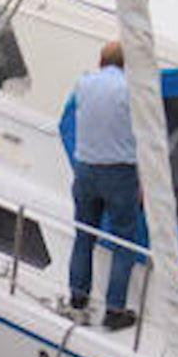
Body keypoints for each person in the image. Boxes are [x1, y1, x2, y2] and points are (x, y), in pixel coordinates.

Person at [68, 41, 141, 331]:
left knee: (84, 235)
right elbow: (145, 136)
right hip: (119, 172)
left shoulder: (83, 84)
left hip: (85, 169)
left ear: (101, 60)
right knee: (124, 242)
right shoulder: (129, 90)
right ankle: (114, 309)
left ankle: (77, 297)